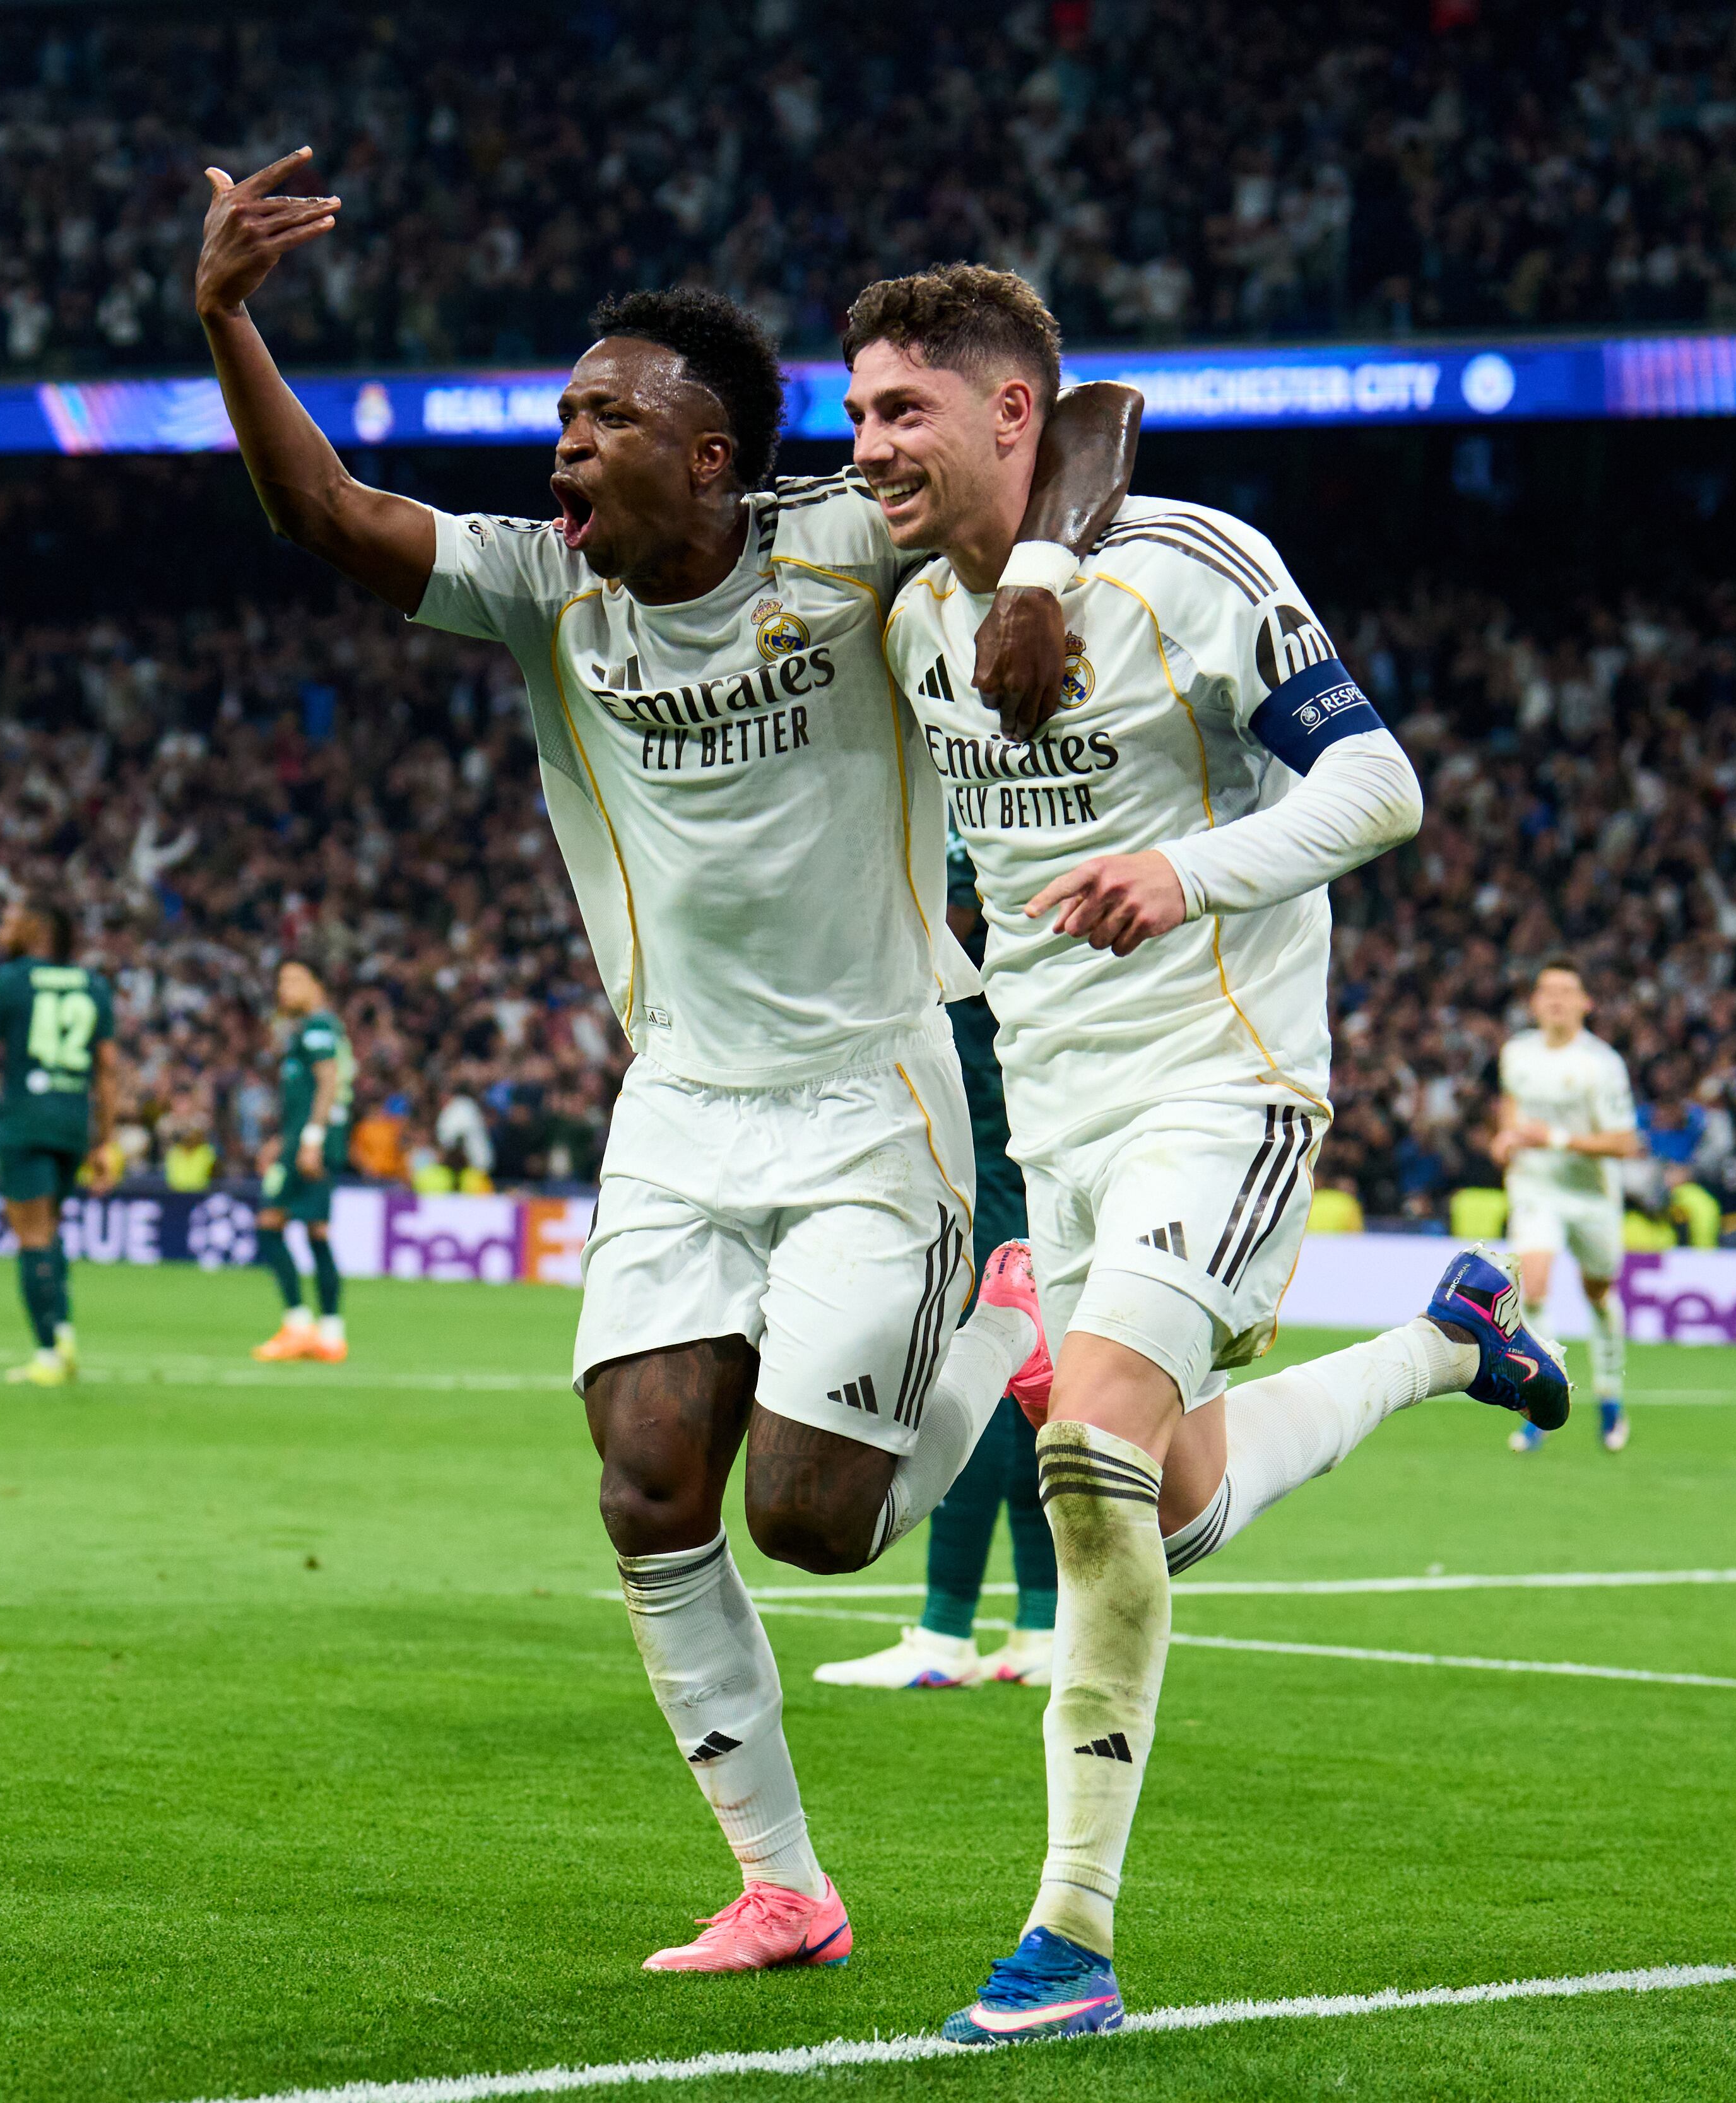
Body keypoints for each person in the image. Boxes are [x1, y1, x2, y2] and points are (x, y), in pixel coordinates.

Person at [195, 152, 1144, 1973]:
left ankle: (1011, 1325)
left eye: (607, 417)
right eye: (560, 414)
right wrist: (227, 315)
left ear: (713, 457)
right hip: (682, 1104)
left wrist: (1030, 572)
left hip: (876, 1089)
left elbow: (1087, 414)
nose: (565, 445)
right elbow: (324, 508)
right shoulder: (546, 589)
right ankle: (783, 1881)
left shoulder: (844, 537)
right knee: (644, 1483)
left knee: (811, 1522)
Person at [844, 263, 1568, 2046]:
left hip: (1221, 1082)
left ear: (1014, 411)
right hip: (1056, 1111)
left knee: (1087, 1448)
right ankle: (1445, 1343)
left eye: (902, 410)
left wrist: (1193, 869)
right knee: (1159, 1495)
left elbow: (1378, 787)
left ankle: (1069, 1936)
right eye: (855, 412)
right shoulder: (903, 607)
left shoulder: (1198, 565)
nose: (867, 447)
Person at [815, 839, 1057, 1691]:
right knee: (1035, 1390)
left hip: (984, 1182)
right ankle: (1042, 1626)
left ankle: (947, 1630)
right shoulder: (1024, 958)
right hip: (1033, 1184)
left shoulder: (958, 974)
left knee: (983, 1387)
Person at [0, 900, 123, 1386]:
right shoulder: (93, 984)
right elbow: (107, 1069)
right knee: (51, 1228)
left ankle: (49, 1352)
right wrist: (106, 1141)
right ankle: (63, 1338)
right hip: (72, 1123)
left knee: (32, 1235)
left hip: (25, 1120)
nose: (1, 929)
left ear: (36, 927)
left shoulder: (10, 982)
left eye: (9, 920)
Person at [1492, 957, 1644, 1452]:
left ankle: (1611, 1398)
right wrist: (1507, 1137)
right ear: (1534, 1002)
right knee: (1532, 1285)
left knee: (1599, 1292)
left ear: (1586, 1003)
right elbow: (1512, 1103)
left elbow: (1624, 1143)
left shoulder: (1601, 1064)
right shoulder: (1516, 1052)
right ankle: (1542, 1403)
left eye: (1566, 991)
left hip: (1592, 1195)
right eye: (1547, 990)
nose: (1556, 999)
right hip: (1536, 1188)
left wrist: (1552, 1137)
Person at [252, 957, 355, 1364]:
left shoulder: (316, 1027)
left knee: (269, 1224)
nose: (284, 988)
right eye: (280, 981)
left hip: (313, 1143)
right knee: (317, 1231)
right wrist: (285, 1139)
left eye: (294, 979)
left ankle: (298, 1325)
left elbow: (328, 1081)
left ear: (317, 984)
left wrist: (308, 1140)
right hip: (308, 1139)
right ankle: (330, 1334)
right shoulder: (321, 1028)